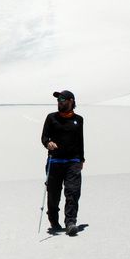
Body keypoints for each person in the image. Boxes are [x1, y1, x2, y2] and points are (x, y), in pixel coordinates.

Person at [41, 90, 84, 236]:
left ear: (71, 101)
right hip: (55, 161)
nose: (59, 101)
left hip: (73, 162)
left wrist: (81, 159)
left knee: (72, 192)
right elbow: (44, 137)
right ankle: (53, 220)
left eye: (62, 99)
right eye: (58, 99)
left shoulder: (79, 120)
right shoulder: (51, 118)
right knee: (53, 194)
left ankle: (71, 222)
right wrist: (48, 143)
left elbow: (80, 141)